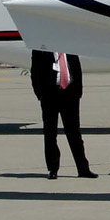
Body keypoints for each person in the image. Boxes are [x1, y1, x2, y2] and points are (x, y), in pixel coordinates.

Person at [30, 50, 94, 179]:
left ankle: (83, 169)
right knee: (50, 133)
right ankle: (53, 169)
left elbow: (77, 70)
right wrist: (40, 95)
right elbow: (35, 73)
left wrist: (78, 92)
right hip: (50, 95)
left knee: (74, 133)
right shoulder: (40, 51)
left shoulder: (69, 49)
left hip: (70, 94)